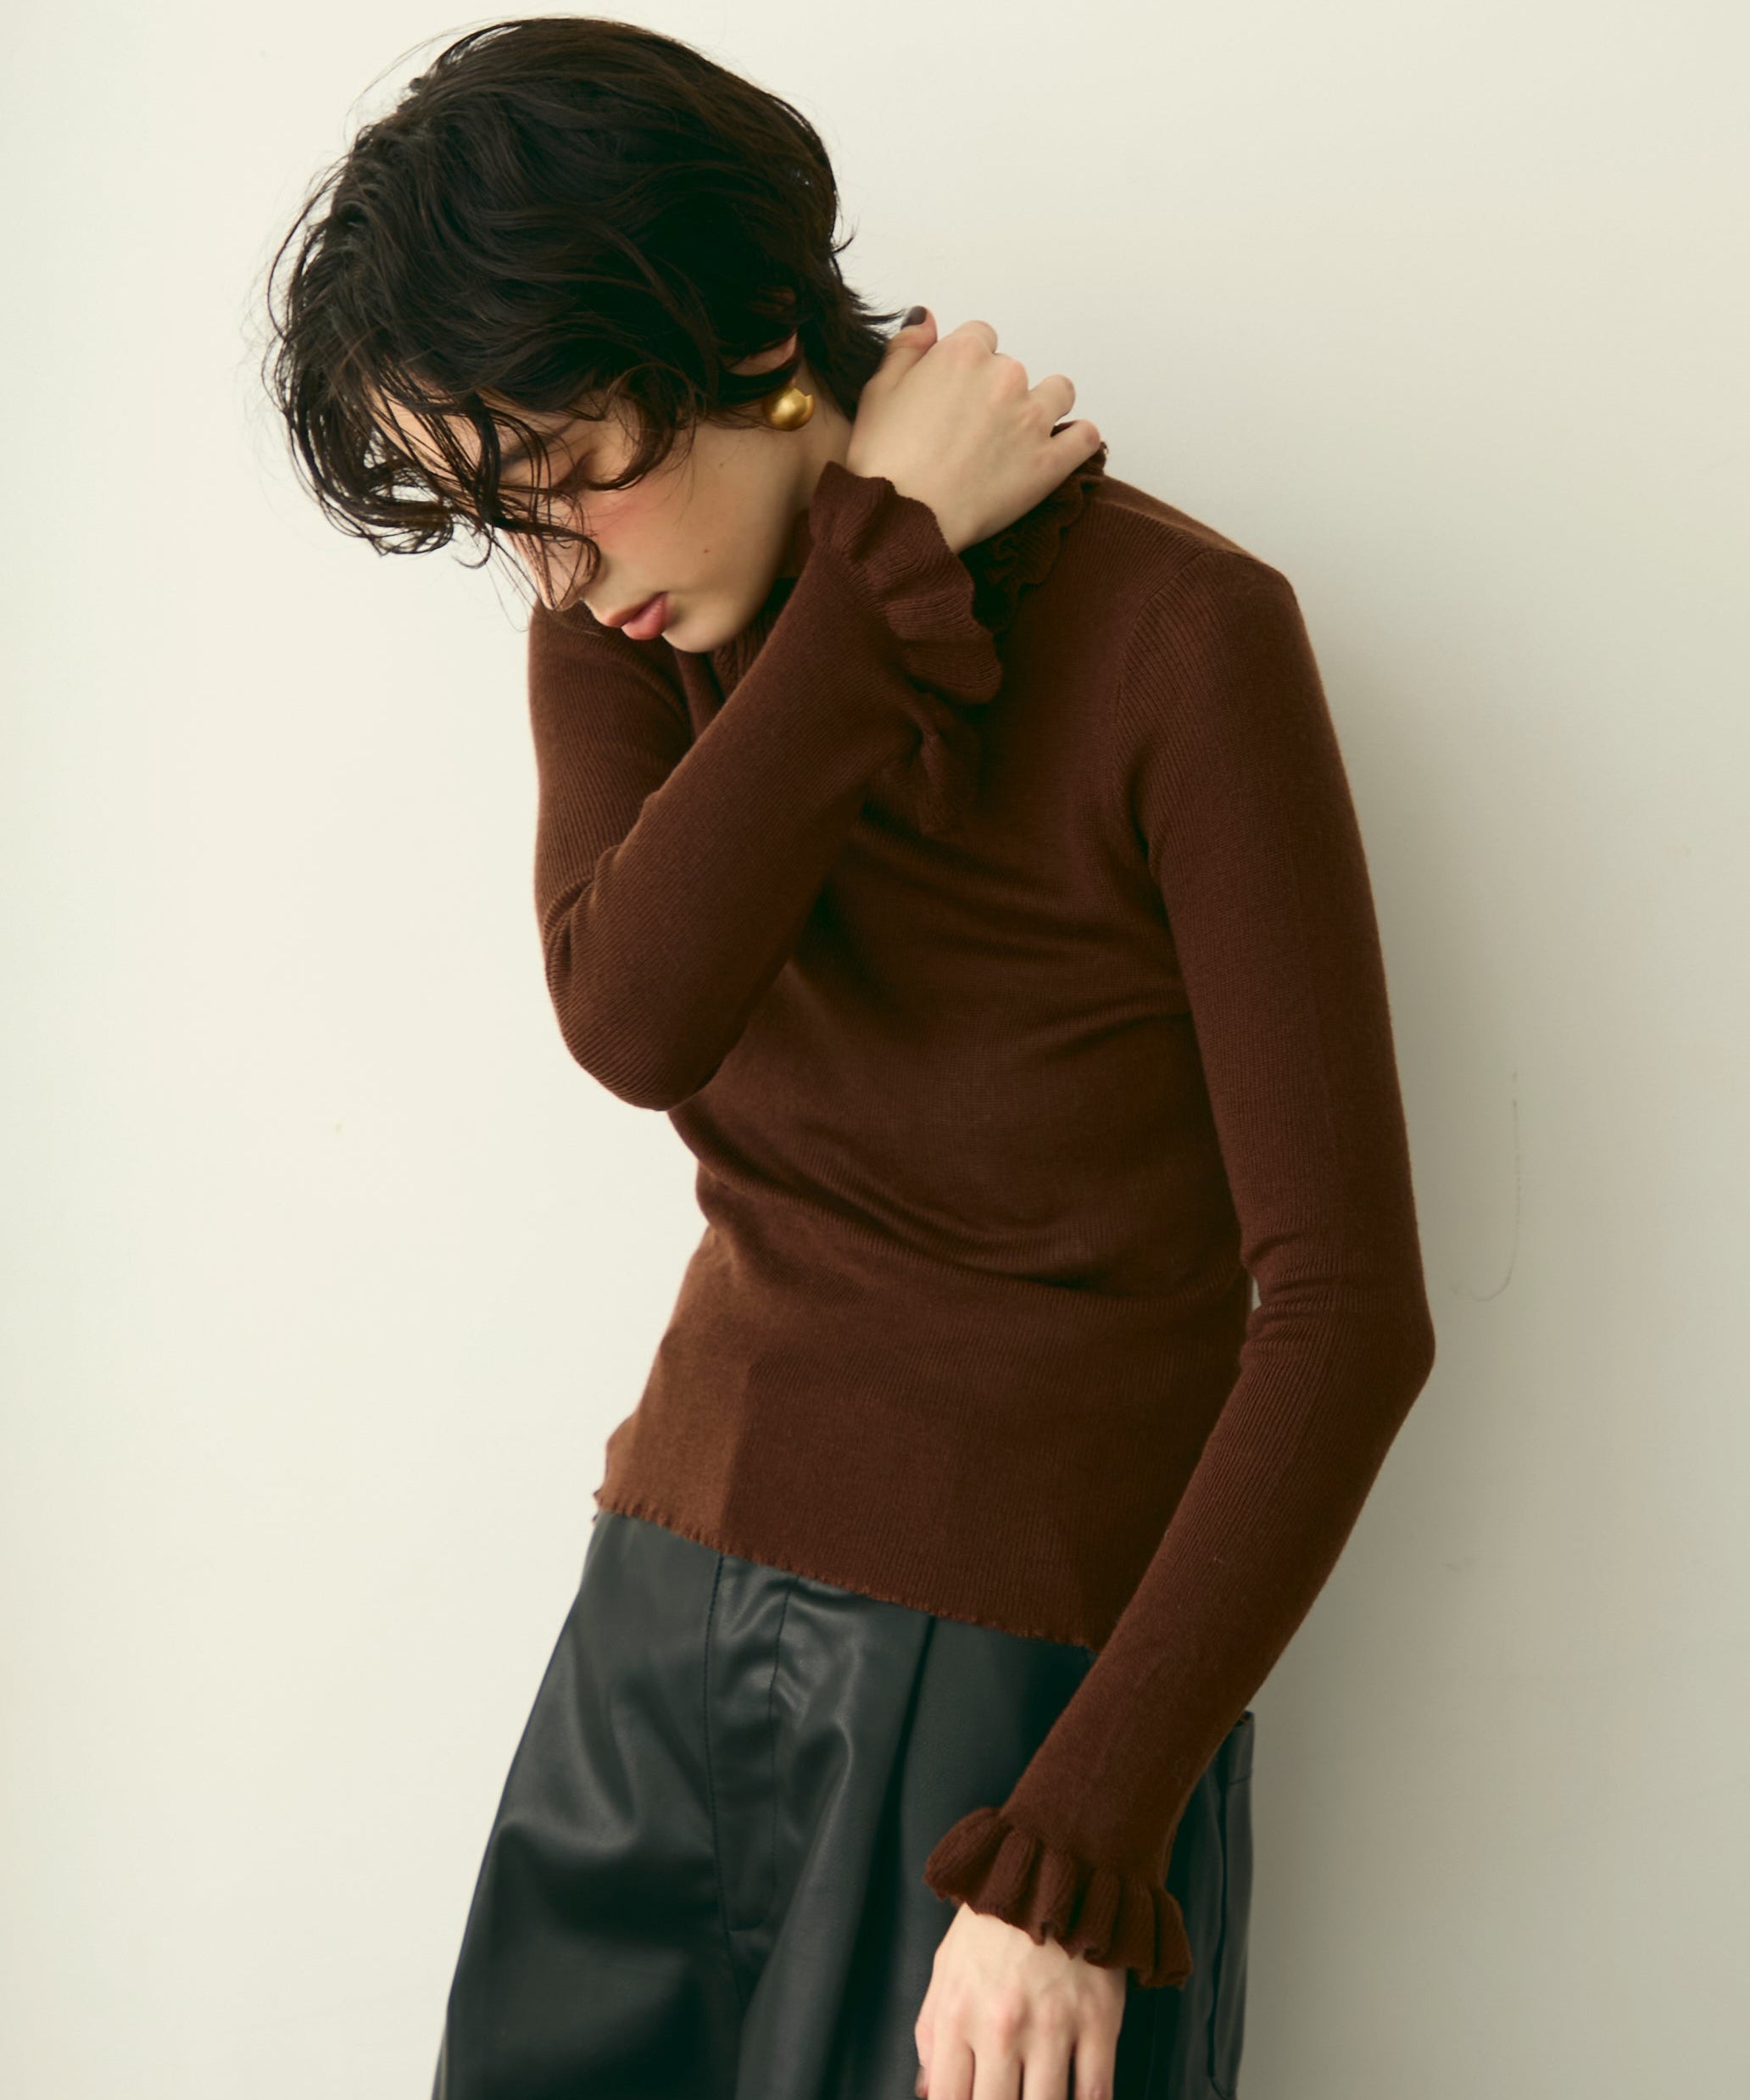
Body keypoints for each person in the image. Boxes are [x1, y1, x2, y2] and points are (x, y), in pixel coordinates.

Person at [260, 17, 1436, 2100]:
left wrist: (1079, 1847)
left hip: (1012, 1712)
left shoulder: (1179, 638)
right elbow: (639, 1018)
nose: (557, 569)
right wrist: (873, 573)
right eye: (492, 516)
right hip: (655, 1618)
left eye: (571, 474)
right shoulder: (627, 622)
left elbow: (1346, 1317)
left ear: (742, 334)